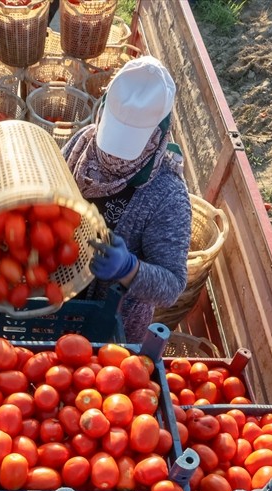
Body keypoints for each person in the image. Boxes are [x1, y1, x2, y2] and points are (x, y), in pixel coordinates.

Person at [62, 56, 192, 342]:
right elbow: (53, 187)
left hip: (109, 321)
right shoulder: (83, 142)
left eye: (131, 140)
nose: (116, 155)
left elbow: (171, 286)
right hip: (54, 296)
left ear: (158, 133)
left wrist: (129, 268)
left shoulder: (167, 196)